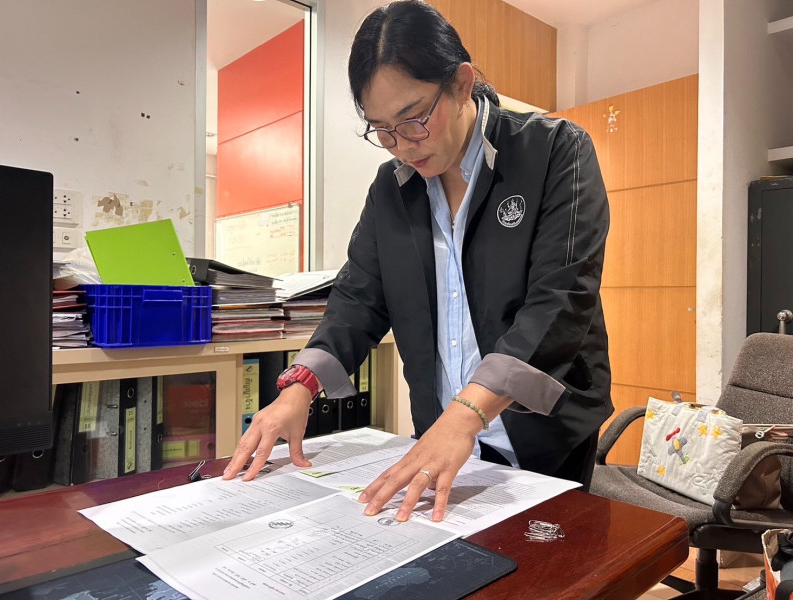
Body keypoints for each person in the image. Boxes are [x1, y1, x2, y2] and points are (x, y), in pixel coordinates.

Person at [223, 0, 612, 523]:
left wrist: (468, 413)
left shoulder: (553, 152)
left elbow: (560, 300)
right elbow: (358, 297)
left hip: (543, 434)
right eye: (382, 130)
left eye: (414, 119)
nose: (402, 146)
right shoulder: (392, 188)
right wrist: (301, 386)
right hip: (439, 435)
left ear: (461, 84)